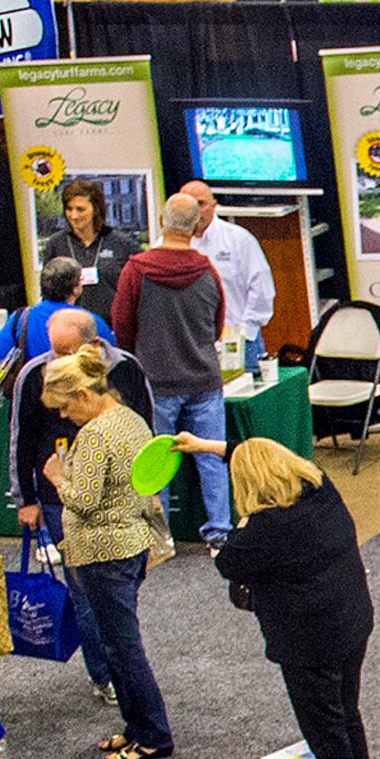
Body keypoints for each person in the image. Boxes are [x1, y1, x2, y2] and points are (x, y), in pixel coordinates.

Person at [205, 438, 376, 759]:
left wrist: (242, 524)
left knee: (323, 725)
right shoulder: (320, 489)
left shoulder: (264, 529)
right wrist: (204, 446)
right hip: (352, 619)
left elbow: (228, 563)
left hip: (309, 641)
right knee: (346, 709)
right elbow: (254, 454)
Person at [41, 352, 175, 759]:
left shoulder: (95, 435)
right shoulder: (130, 419)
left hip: (104, 553)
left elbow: (83, 500)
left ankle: (153, 734)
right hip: (130, 545)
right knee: (117, 646)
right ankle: (136, 728)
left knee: (124, 647)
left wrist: (57, 476)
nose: (63, 415)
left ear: (84, 394)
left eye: (65, 406)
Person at [113, 194, 233, 540]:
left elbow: (122, 326)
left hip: (156, 383)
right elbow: (217, 327)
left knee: (155, 461)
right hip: (204, 380)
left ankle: (160, 537)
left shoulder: (136, 270)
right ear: (197, 227)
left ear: (161, 221)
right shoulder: (208, 271)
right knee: (211, 458)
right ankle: (219, 532)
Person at [8, 307, 156, 551]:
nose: (62, 361)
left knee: (115, 564)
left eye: (69, 352)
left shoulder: (127, 368)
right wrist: (25, 500)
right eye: (56, 351)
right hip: (58, 496)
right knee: (80, 566)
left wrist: (152, 489)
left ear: (95, 344)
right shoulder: (33, 374)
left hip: (121, 495)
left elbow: (148, 430)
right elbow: (21, 440)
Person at [175, 180, 274, 360]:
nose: (194, 211)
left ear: (214, 206)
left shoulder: (239, 240)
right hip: (189, 348)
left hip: (240, 344)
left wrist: (245, 332)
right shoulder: (167, 245)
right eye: (188, 205)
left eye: (200, 204)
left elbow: (262, 290)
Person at [0, 254, 86, 366]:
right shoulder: (88, 321)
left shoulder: (20, 318)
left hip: (33, 377)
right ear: (75, 289)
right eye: (81, 280)